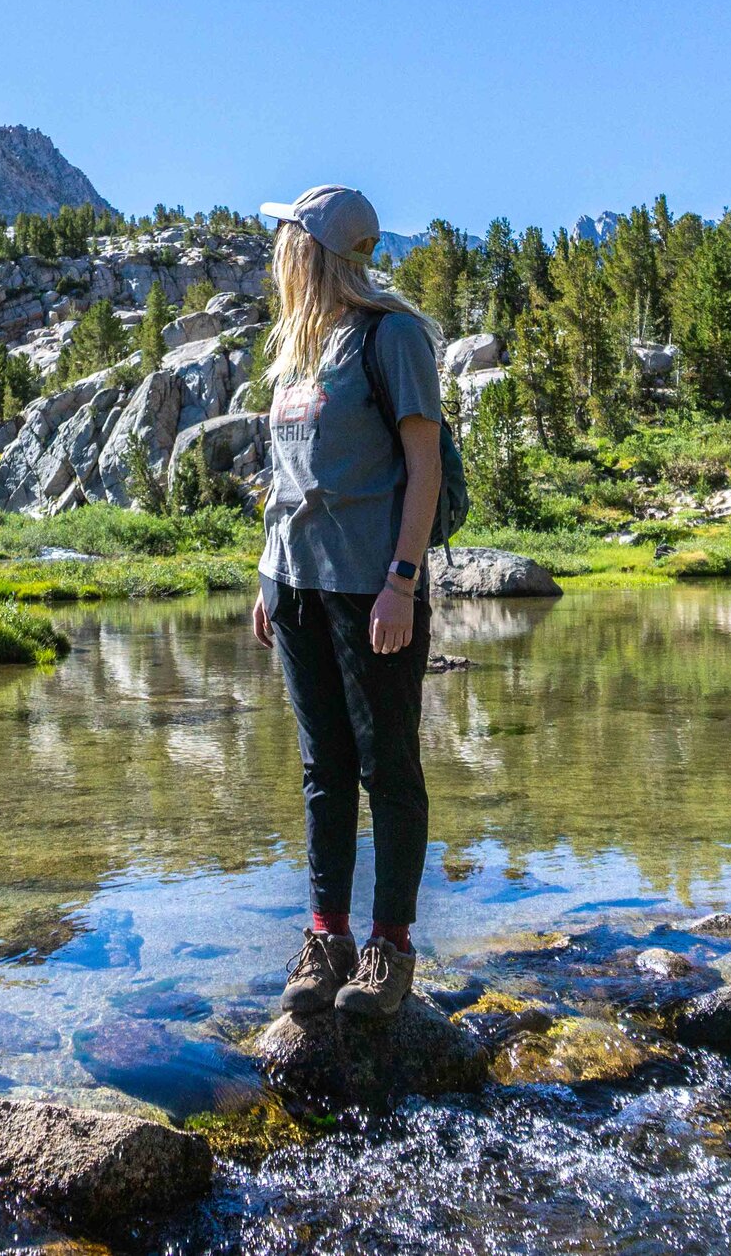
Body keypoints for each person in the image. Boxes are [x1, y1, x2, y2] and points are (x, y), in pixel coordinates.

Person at [251, 184, 444, 1019]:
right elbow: (287, 481)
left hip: (372, 588)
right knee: (322, 773)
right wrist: (267, 575)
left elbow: (424, 467)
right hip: (296, 587)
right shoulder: (301, 346)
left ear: (316, 251)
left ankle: (389, 949)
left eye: (288, 236)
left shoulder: (391, 336)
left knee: (387, 770)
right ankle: (326, 940)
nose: (279, 250)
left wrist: (402, 580)